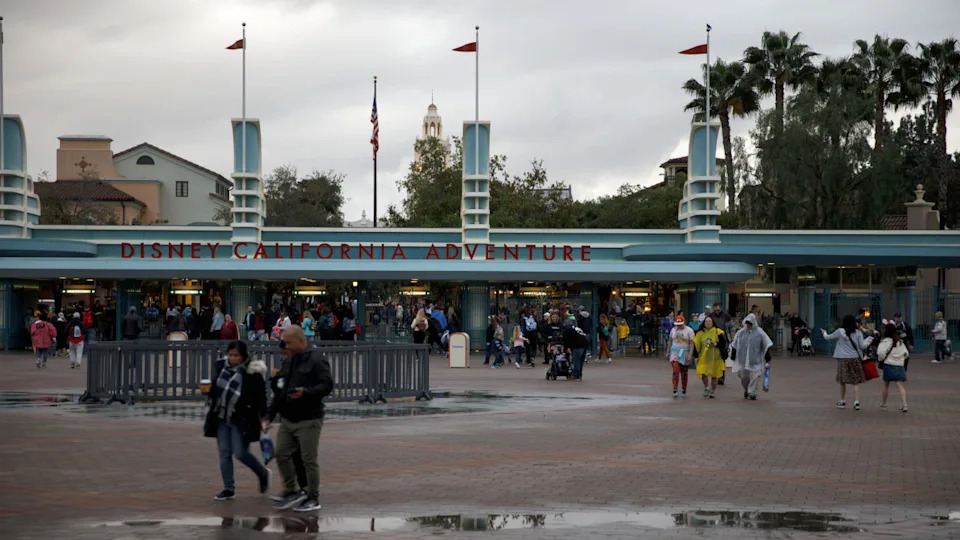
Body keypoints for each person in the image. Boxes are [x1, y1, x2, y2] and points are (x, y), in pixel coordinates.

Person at [266, 326, 333, 512]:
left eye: (288, 342)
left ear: (300, 340)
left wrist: (306, 393)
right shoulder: (290, 361)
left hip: (309, 418)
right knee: (281, 453)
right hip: (289, 417)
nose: (285, 346)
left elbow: (327, 385)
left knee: (308, 459)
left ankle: (313, 496)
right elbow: (281, 389)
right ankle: (291, 490)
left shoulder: (316, 359)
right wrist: (269, 415)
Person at [205, 340, 271, 501]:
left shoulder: (252, 372)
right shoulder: (220, 367)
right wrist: (209, 391)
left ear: (243, 356)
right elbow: (216, 389)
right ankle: (228, 488)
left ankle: (262, 473)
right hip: (221, 415)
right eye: (230, 355)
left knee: (240, 452)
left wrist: (265, 416)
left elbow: (260, 397)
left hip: (241, 418)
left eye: (236, 355)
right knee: (224, 453)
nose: (232, 358)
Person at [822, 314, 874, 411]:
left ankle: (842, 401)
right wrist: (868, 341)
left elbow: (828, 337)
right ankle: (857, 402)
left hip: (843, 359)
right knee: (856, 381)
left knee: (842, 381)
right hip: (855, 358)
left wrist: (824, 333)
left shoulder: (840, 331)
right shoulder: (858, 333)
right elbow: (863, 346)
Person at [730, 313, 773, 401]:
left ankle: (752, 392)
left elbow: (766, 344)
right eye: (747, 323)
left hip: (755, 360)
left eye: (750, 323)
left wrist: (767, 356)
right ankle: (747, 389)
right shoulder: (741, 333)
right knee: (743, 376)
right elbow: (735, 344)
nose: (749, 325)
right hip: (743, 360)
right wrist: (733, 354)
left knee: (754, 376)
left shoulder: (760, 332)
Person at [877, 323, 909, 412]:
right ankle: (904, 404)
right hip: (899, 365)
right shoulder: (899, 341)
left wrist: (881, 359)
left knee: (886, 384)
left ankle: (884, 404)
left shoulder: (885, 341)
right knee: (900, 385)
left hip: (888, 364)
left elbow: (880, 353)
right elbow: (906, 354)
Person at [693, 316, 726, 398]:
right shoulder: (700, 333)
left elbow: (723, 344)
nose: (708, 323)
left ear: (713, 322)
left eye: (709, 321)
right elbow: (696, 345)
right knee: (703, 373)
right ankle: (706, 387)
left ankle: (713, 391)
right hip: (703, 357)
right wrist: (696, 356)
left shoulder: (718, 332)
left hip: (715, 357)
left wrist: (715, 344)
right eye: (706, 321)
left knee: (714, 375)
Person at [668, 315, 695, 397]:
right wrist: (667, 351)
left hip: (684, 353)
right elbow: (670, 341)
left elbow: (692, 343)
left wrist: (690, 354)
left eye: (680, 324)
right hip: (675, 352)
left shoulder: (689, 330)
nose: (679, 326)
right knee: (675, 370)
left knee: (684, 372)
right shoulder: (673, 330)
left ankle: (684, 389)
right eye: (677, 324)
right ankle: (675, 389)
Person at [562, 315, 588, 381]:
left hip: (577, 345)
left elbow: (566, 340)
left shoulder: (566, 329)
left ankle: (576, 375)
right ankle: (579, 374)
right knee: (581, 361)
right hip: (584, 344)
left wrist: (566, 348)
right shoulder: (576, 328)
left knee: (576, 361)